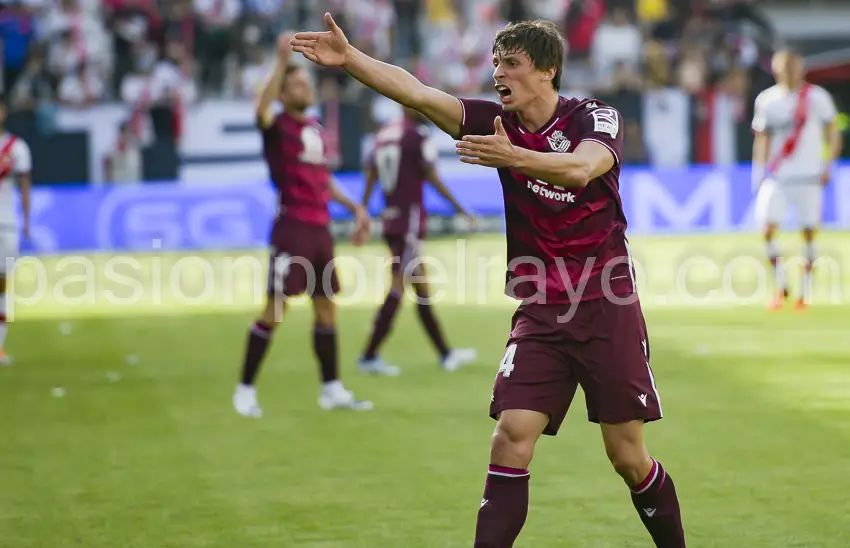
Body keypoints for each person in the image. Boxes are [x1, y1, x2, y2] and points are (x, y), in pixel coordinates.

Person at [292, 15, 686, 547]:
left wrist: (513, 156)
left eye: (513, 63)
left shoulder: (595, 116)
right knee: (511, 437)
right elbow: (418, 93)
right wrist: (352, 59)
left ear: (547, 70)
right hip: (540, 309)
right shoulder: (492, 119)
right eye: (496, 62)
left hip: (605, 303)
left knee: (626, 455)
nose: (499, 72)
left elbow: (578, 169)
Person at [233, 34, 373, 417]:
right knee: (275, 310)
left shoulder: (313, 127)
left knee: (327, 309)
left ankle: (331, 388)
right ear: (283, 91)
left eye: (306, 83)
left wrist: (356, 207)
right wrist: (280, 63)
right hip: (292, 227)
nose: (305, 88)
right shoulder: (276, 125)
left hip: (320, 230)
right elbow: (259, 109)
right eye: (297, 84)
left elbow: (322, 179)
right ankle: (245, 389)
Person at [358, 107, 478, 376]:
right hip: (409, 221)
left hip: (390, 217)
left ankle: (446, 354)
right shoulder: (418, 136)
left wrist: (362, 210)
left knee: (421, 290)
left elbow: (370, 172)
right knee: (399, 286)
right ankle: (368, 356)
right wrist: (460, 208)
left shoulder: (383, 135)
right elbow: (432, 176)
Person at [752, 49, 842, 310]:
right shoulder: (767, 100)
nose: (789, 71)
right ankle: (781, 285)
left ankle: (804, 292)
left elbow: (833, 131)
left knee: (809, 233)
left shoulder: (817, 97)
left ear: (800, 68)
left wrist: (828, 163)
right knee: (767, 230)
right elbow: (762, 137)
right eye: (784, 66)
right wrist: (758, 171)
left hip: (809, 176)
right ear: (776, 69)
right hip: (778, 176)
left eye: (793, 66)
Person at [0, 93, 31, 366]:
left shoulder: (16, 147)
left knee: (2, 285)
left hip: (6, 225)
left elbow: (25, 185)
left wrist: (28, 220)